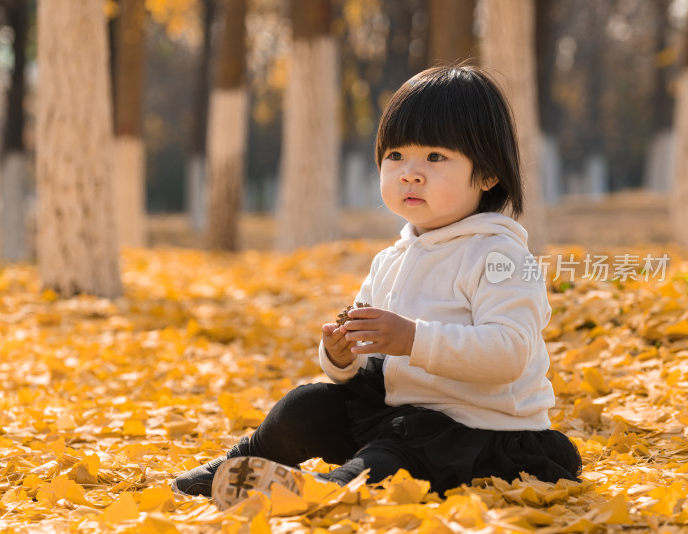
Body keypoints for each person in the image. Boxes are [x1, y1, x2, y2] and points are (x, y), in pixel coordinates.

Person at [172, 64, 582, 509]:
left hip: (478, 431)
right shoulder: (391, 260)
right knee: (306, 405)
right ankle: (242, 463)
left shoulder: (500, 256)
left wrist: (412, 338)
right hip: (396, 413)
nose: (411, 173)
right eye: (396, 157)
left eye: (435, 158)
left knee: (391, 459)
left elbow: (509, 353)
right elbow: (364, 355)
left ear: (486, 175)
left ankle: (328, 489)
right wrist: (340, 356)